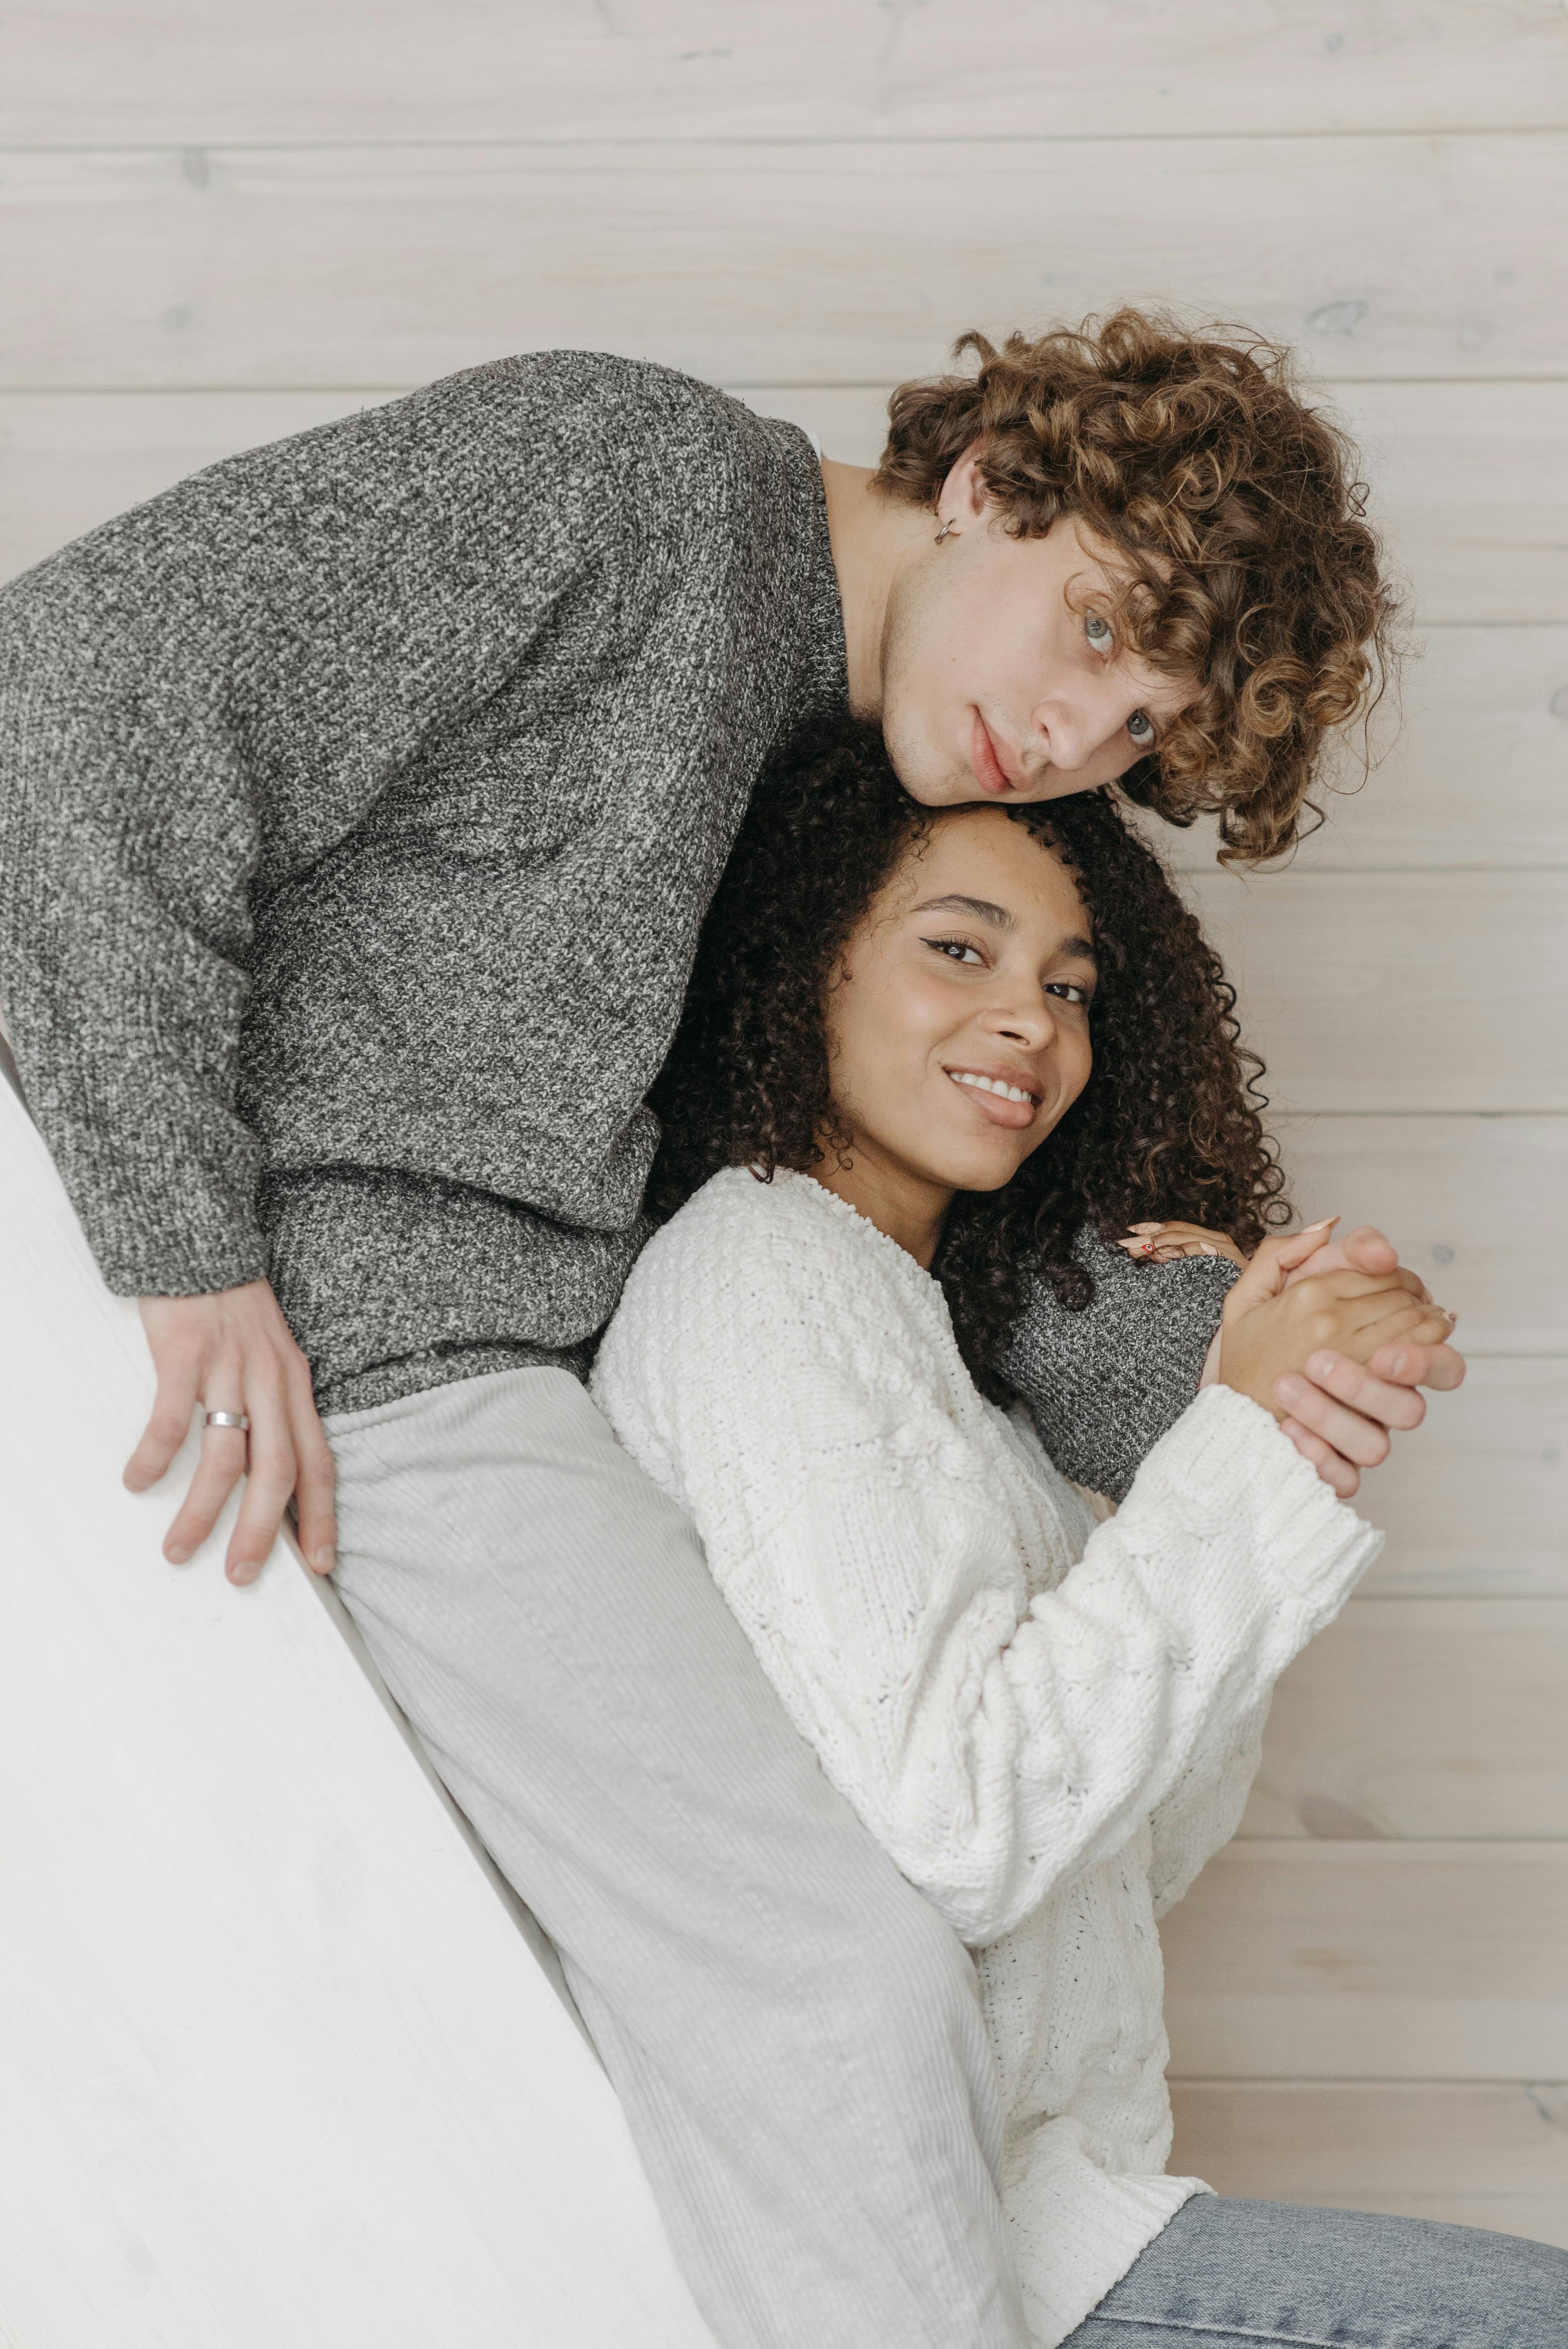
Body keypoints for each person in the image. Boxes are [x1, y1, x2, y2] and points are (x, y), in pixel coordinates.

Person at [0, 313, 1461, 2349]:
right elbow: (70, 688)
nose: (1078, 732)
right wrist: (185, 1244)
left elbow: (960, 1240)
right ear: (981, 484)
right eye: (1096, 629)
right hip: (374, 1348)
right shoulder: (634, 477)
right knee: (835, 1990)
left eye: (1144, 723)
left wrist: (1251, 1341)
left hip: (502, 1364)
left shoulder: (837, 783)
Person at [593, 726, 1562, 2348]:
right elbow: (962, 1829)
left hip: (1070, 2196)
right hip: (939, 2230)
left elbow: (1129, 1856)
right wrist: (1239, 1443)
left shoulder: (935, 1352)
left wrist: (1241, 1433)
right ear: (802, 963)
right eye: (956, 948)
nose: (1028, 1022)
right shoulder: (756, 1271)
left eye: (1071, 985)